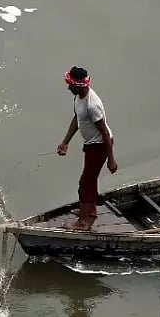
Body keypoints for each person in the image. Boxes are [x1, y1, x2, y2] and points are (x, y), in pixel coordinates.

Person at [56, 66, 117, 230]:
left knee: (85, 182)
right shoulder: (78, 98)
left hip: (100, 146)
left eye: (70, 85)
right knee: (89, 180)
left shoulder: (92, 105)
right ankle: (90, 211)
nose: (68, 87)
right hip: (91, 145)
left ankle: (83, 222)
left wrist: (111, 160)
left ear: (79, 86)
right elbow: (77, 119)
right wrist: (65, 142)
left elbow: (104, 132)